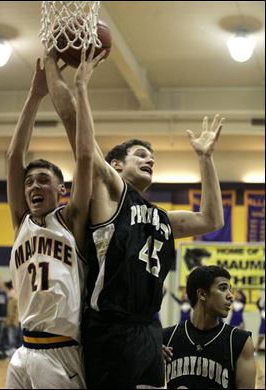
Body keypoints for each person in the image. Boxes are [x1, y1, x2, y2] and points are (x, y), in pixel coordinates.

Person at [46, 56, 226, 388]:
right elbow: (73, 122)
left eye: (151, 157)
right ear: (115, 165)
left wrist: (205, 159)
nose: (150, 159)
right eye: (140, 154)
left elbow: (211, 218)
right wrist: (64, 75)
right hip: (110, 329)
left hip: (147, 329)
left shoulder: (162, 219)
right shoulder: (112, 194)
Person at [5, 46, 105, 389]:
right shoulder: (22, 221)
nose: (33, 185)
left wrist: (81, 90)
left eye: (43, 180)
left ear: (61, 190)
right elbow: (14, 155)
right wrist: (34, 96)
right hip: (23, 349)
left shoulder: (71, 219)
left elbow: (87, 156)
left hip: (62, 351)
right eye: (29, 181)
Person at [162, 265, 256, 389]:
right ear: (202, 294)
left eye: (230, 289)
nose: (230, 296)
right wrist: (151, 360)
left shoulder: (240, 341)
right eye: (223, 288)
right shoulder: (166, 337)